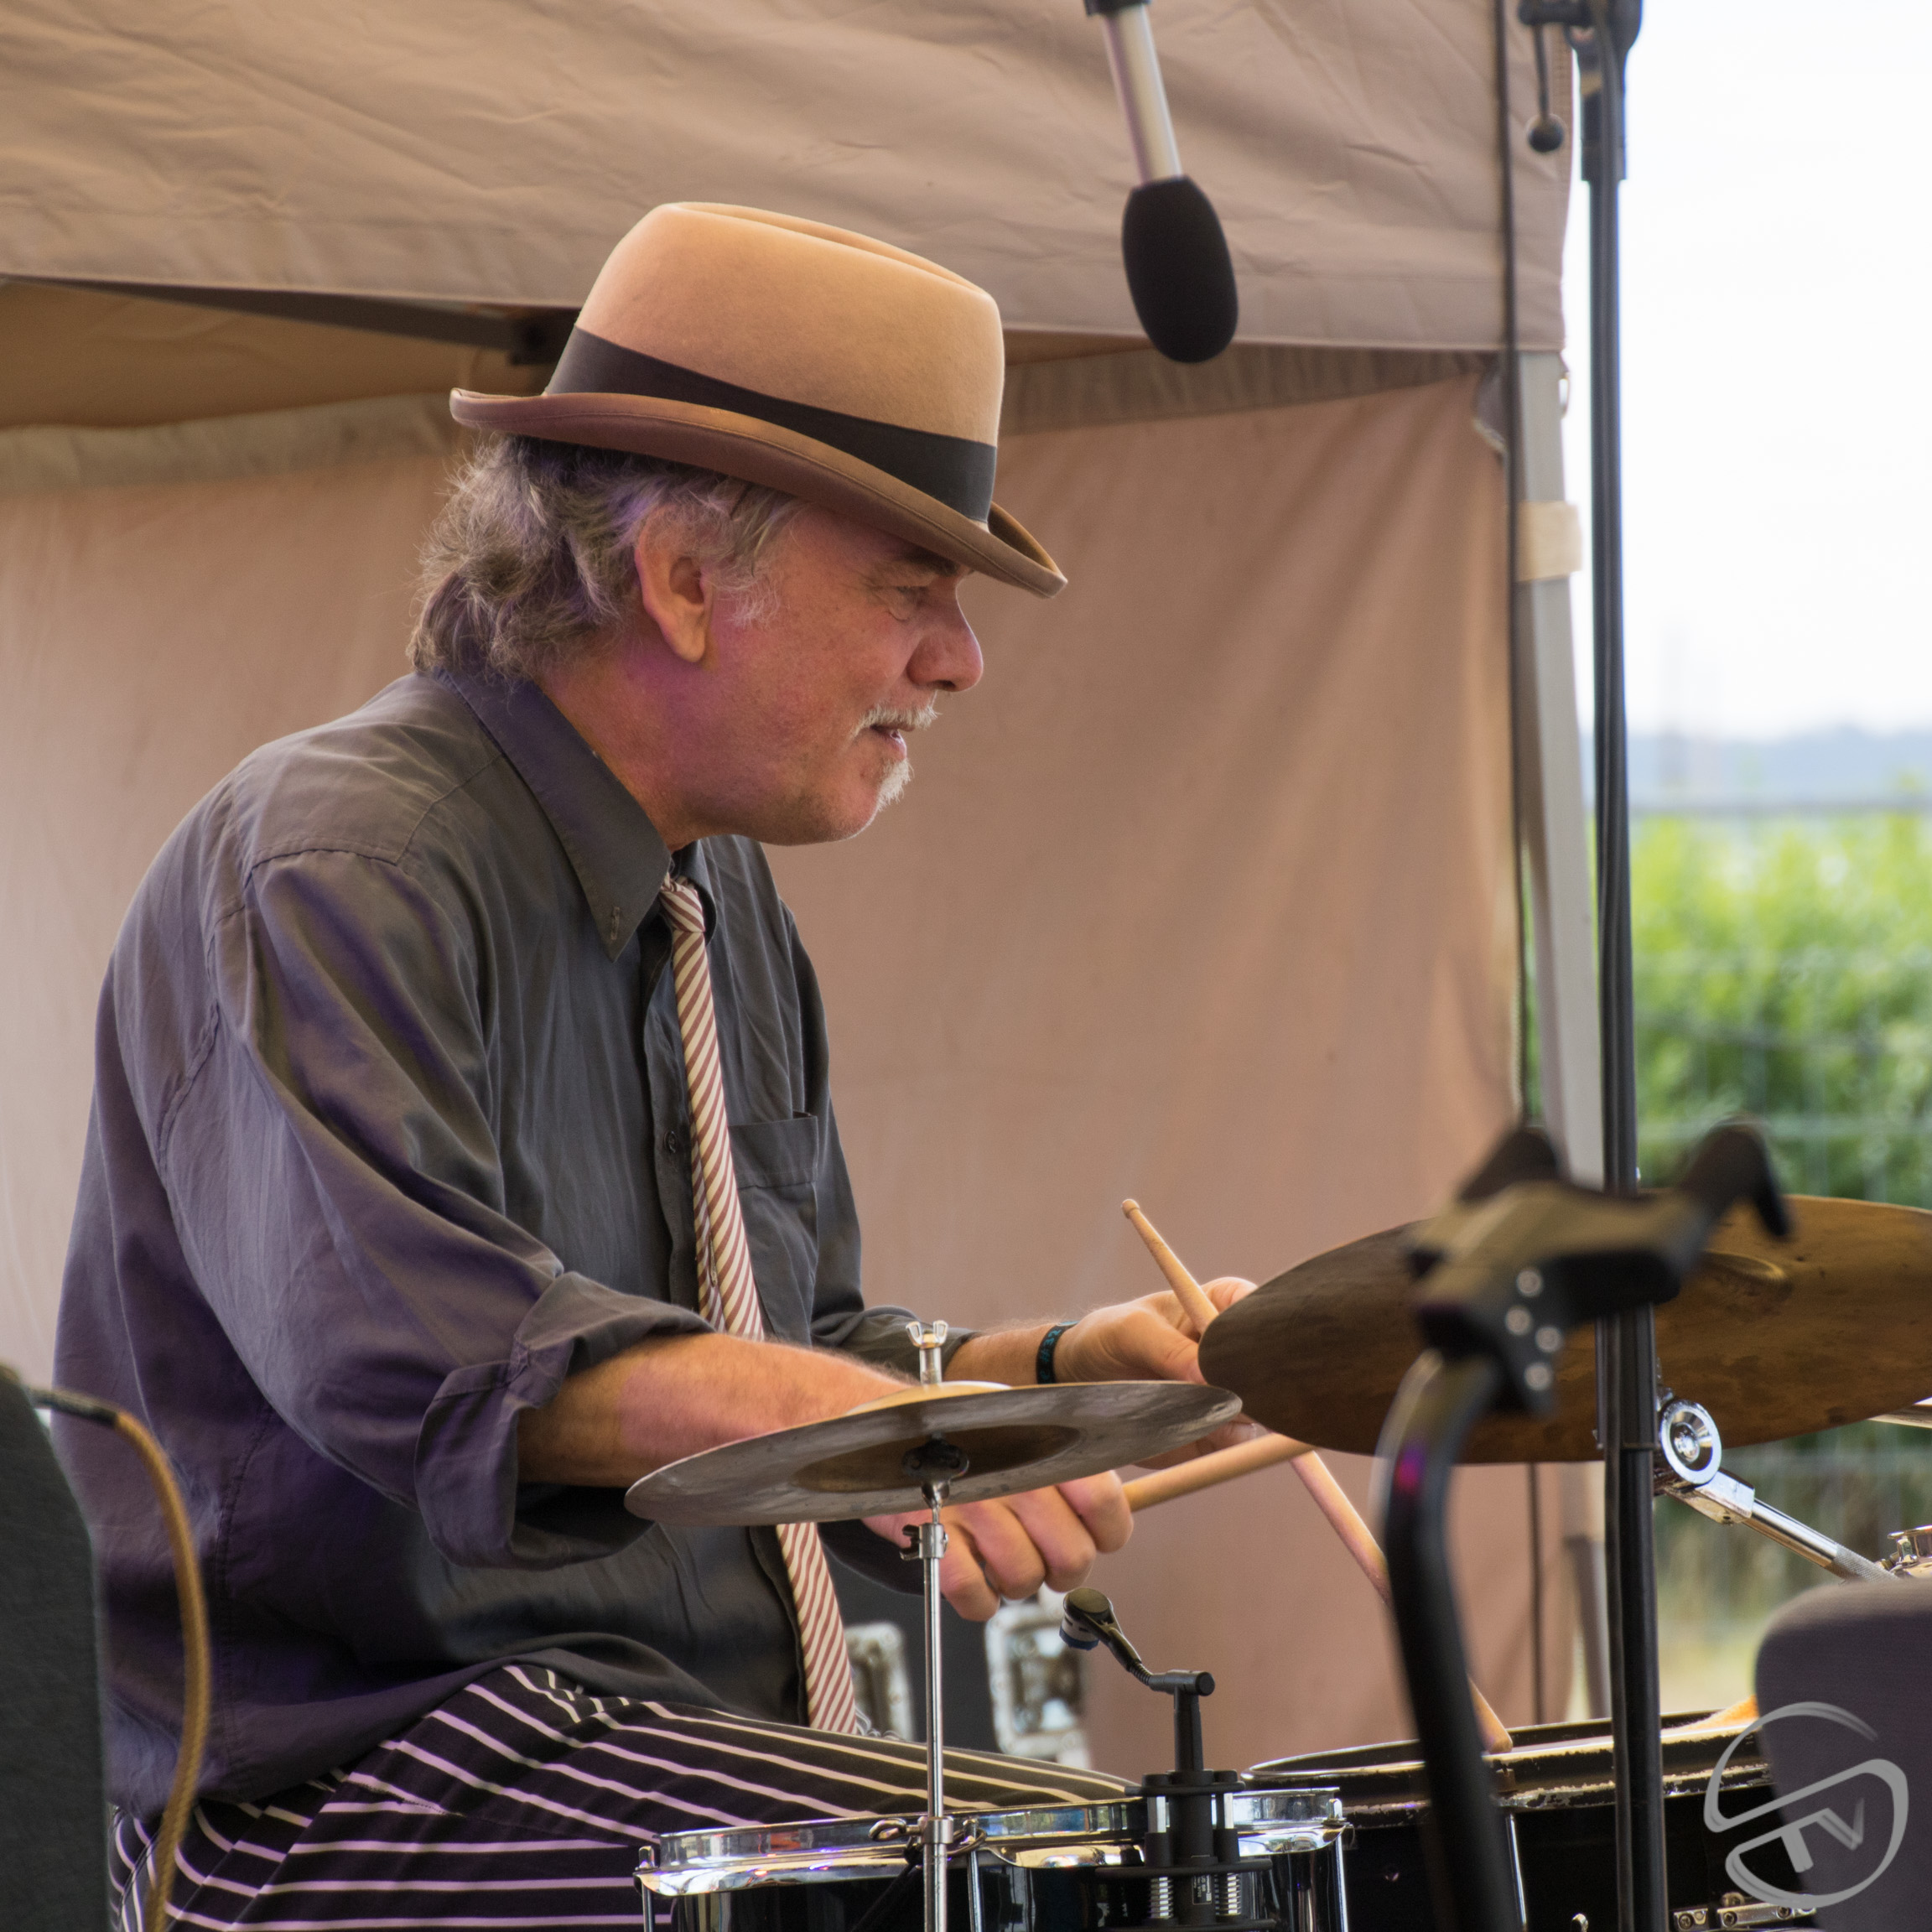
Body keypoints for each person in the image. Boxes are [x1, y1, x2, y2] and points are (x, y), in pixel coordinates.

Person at [55, 203, 1251, 1930]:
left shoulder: (722, 896)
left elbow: (786, 1359)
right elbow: (447, 1372)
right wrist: (872, 1419)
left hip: (666, 1745)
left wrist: (1047, 1381)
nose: (960, 657)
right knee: (1040, 1895)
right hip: (336, 1790)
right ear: (685, 580)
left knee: (1160, 1869)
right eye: (911, 587)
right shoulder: (336, 857)